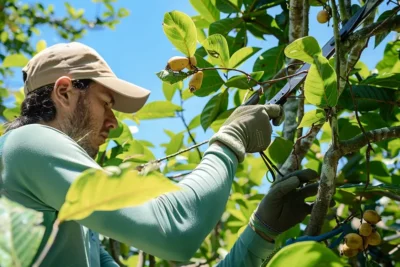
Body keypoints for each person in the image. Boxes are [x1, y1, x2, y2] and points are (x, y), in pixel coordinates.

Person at [0, 42, 320, 266]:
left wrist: (261, 232)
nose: (113, 122)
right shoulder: (26, 142)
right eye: (106, 104)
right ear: (64, 91)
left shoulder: (74, 227)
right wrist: (229, 142)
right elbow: (173, 231)